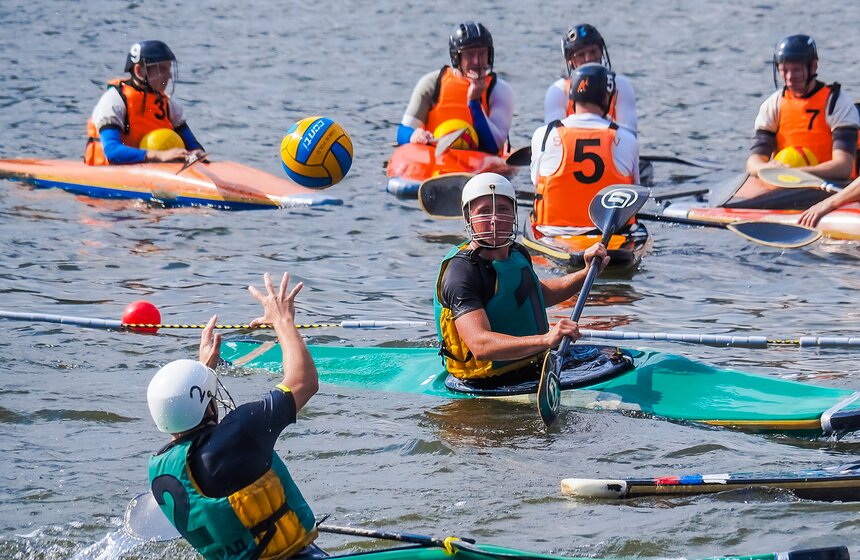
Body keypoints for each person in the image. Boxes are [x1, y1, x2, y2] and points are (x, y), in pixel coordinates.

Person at [147, 272, 319, 560]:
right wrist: (282, 320)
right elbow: (304, 382)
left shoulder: (162, 470)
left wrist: (202, 373)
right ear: (207, 405)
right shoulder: (239, 433)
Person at [434, 173, 608, 381]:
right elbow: (480, 344)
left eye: (503, 210)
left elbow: (538, 294)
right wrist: (546, 340)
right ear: (468, 218)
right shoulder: (462, 271)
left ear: (514, 214)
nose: (495, 219)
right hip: (486, 381)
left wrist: (588, 272)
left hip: (533, 362)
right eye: (484, 212)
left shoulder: (517, 253)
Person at [530, 63, 639, 231]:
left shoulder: (543, 134)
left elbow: (536, 182)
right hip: (610, 235)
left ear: (572, 97)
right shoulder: (627, 138)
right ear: (606, 98)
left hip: (552, 232)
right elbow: (635, 193)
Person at [745, 34, 858, 181]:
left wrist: (796, 173)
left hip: (832, 187)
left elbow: (843, 167)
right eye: (784, 70)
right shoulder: (773, 105)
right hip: (784, 185)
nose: (790, 76)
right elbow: (753, 163)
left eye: (797, 69)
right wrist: (767, 169)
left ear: (814, 66)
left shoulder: (837, 103)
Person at [396, 21, 513, 155]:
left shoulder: (499, 90)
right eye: (469, 55)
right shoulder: (431, 84)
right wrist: (414, 135)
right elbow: (403, 131)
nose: (476, 61)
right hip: (435, 157)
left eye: (482, 54)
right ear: (456, 57)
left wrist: (474, 103)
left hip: (479, 160)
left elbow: (492, 147)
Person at [85, 40, 205, 165]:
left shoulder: (169, 105)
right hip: (108, 171)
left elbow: (194, 147)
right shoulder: (114, 101)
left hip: (152, 170)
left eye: (169, 69)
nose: (168, 76)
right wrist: (159, 155)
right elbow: (111, 152)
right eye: (162, 69)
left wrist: (195, 155)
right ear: (139, 71)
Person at [543, 23, 637, 136]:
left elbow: (630, 134)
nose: (588, 59)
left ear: (601, 52)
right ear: (569, 61)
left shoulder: (621, 86)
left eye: (593, 52)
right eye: (581, 55)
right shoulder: (558, 91)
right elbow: (552, 137)